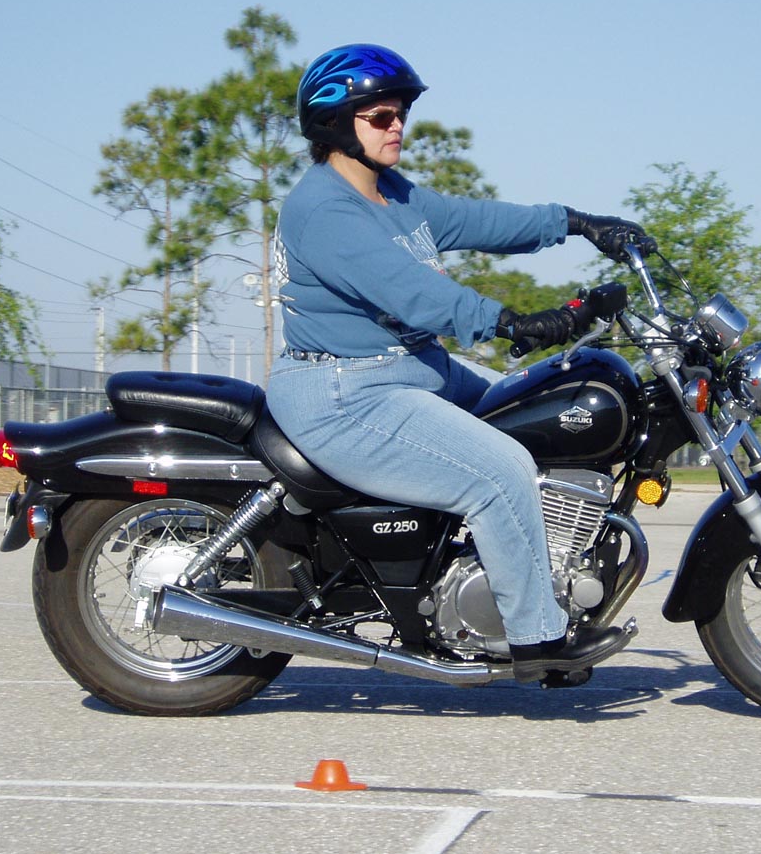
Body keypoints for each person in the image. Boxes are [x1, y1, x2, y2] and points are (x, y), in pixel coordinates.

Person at [267, 43, 648, 683]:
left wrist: (578, 223)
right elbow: (413, 292)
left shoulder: (394, 195)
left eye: (401, 114)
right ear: (335, 123)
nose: (397, 126)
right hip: (344, 391)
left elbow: (480, 220)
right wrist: (511, 322)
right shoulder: (324, 208)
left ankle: (504, 578)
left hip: (414, 371)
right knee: (501, 470)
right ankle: (537, 638)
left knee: (534, 413)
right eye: (381, 116)